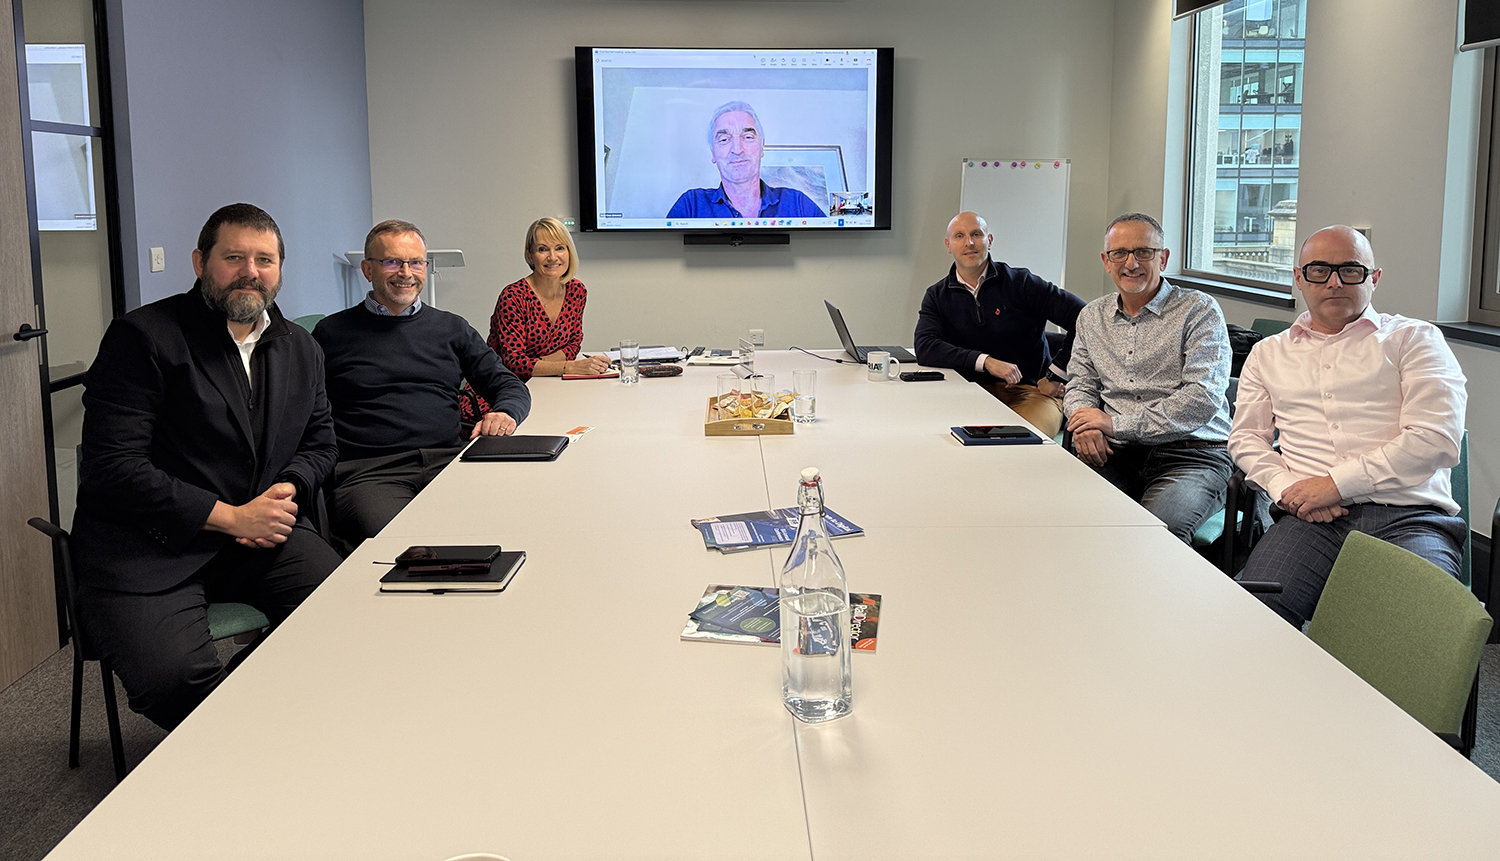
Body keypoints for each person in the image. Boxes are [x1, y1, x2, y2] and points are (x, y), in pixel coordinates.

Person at [72, 203, 341, 730]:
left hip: (261, 537)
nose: (250, 272)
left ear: (280, 269)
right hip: (151, 545)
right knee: (173, 679)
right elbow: (112, 467)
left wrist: (286, 490)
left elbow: (321, 443)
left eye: (265, 260)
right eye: (234, 257)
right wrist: (232, 517)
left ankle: (266, 725)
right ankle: (244, 741)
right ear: (200, 262)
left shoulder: (301, 347)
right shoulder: (144, 337)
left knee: (346, 618)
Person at [1230, 225, 1467, 627]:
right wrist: (1288, 488)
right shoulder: (1268, 354)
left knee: (1416, 632)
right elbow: (1246, 439)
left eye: (1351, 270)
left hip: (1408, 518)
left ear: (1374, 278)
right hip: (1309, 519)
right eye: (1319, 270)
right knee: (1252, 621)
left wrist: (1335, 484)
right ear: (1299, 277)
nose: (1335, 282)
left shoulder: (1414, 339)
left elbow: (1435, 440)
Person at [313, 219, 532, 546]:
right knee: (411, 547)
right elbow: (304, 413)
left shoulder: (452, 329)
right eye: (392, 262)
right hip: (370, 475)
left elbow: (509, 385)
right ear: (367, 269)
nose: (406, 272)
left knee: (512, 525)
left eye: (416, 262)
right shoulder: (330, 334)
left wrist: (506, 412)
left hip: (450, 463)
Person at [1063, 212, 1234, 543]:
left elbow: (1202, 399)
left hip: (1191, 455)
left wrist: (1114, 425)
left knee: (1157, 534)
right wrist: (1084, 423)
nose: (1131, 263)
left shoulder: (1199, 310)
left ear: (1163, 258)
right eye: (1120, 253)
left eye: (1143, 252)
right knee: (1064, 515)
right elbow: (1080, 384)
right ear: (1106, 261)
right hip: (1115, 453)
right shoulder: (1092, 316)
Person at [914, 211, 1084, 438]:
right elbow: (925, 347)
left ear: (990, 240)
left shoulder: (1021, 283)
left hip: (1031, 392)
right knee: (940, 438)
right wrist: (985, 361)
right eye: (959, 236)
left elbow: (1085, 318)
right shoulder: (937, 295)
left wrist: (1056, 375)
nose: (969, 243)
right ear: (948, 245)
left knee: (1020, 442)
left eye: (976, 234)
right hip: (968, 392)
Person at [464, 218, 609, 402]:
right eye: (542, 249)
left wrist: (540, 365)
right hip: (500, 390)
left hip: (549, 383)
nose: (553, 257)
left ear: (569, 252)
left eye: (559, 248)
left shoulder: (576, 291)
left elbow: (573, 344)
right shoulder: (513, 297)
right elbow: (514, 363)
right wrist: (571, 367)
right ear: (530, 255)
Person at [666, 100, 826, 219]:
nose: (737, 149)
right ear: (713, 153)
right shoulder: (691, 205)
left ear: (762, 146)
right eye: (724, 139)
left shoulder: (797, 203)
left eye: (748, 137)